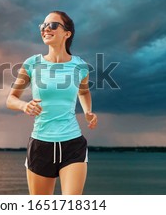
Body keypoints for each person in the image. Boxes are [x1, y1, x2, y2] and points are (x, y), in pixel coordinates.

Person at [6, 11, 97, 195]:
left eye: (53, 25)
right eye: (43, 25)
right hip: (41, 145)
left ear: (67, 33)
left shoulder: (80, 66)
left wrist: (88, 111)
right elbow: (11, 99)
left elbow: (84, 91)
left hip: (72, 144)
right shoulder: (32, 64)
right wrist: (25, 105)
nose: (46, 28)